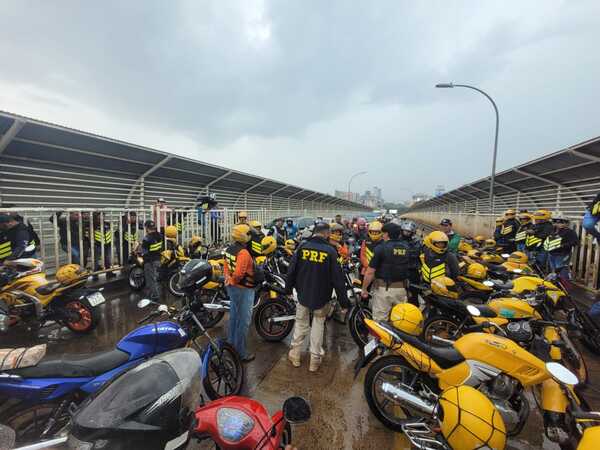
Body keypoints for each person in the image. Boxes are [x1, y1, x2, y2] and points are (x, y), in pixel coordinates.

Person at [286, 222, 349, 372]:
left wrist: (288, 289)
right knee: (318, 325)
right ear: (327, 234)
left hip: (303, 294)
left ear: (314, 232)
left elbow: (291, 271)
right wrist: (344, 302)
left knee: (301, 324)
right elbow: (338, 280)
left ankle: (295, 355)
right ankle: (314, 360)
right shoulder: (331, 251)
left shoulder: (302, 247)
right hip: (322, 297)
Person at [361, 222, 414, 322]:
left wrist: (364, 289)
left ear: (386, 234)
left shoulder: (381, 248)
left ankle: (381, 338)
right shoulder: (406, 248)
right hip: (402, 290)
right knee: (399, 321)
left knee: (380, 322)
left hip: (384, 290)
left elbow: (370, 272)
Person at [223, 224, 256, 363]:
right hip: (244, 290)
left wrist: (228, 279)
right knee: (244, 321)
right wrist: (232, 279)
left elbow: (225, 266)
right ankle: (241, 353)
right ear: (244, 236)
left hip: (232, 287)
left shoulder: (229, 249)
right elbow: (239, 273)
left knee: (234, 317)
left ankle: (231, 345)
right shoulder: (244, 253)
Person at [543, 213, 579, 284]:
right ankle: (556, 284)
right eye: (556, 222)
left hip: (562, 254)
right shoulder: (553, 231)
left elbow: (575, 242)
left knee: (562, 270)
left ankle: (565, 284)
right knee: (553, 270)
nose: (558, 223)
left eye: (561, 222)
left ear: (566, 223)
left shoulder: (570, 232)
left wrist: (563, 245)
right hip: (552, 253)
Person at [399, 220, 421, 307]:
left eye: (408, 231)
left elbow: (414, 254)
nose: (406, 233)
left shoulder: (416, 241)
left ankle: (414, 310)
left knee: (413, 294)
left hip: (412, 270)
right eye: (405, 231)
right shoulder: (397, 240)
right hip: (399, 269)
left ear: (412, 232)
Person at [140, 220, 163, 301]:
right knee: (155, 278)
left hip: (150, 261)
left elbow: (144, 252)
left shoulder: (146, 238)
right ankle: (153, 293)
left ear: (146, 228)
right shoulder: (159, 235)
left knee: (150, 279)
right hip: (158, 259)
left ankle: (154, 296)